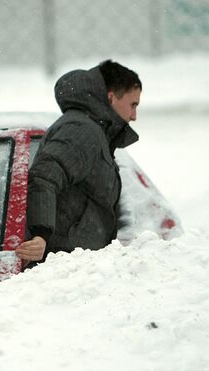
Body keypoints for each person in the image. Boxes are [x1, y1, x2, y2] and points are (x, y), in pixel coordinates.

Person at [15, 60, 142, 266]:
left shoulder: (95, 133)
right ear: (111, 97)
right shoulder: (81, 131)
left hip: (73, 262)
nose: (134, 116)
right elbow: (44, 175)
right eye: (133, 105)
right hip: (60, 262)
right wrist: (41, 234)